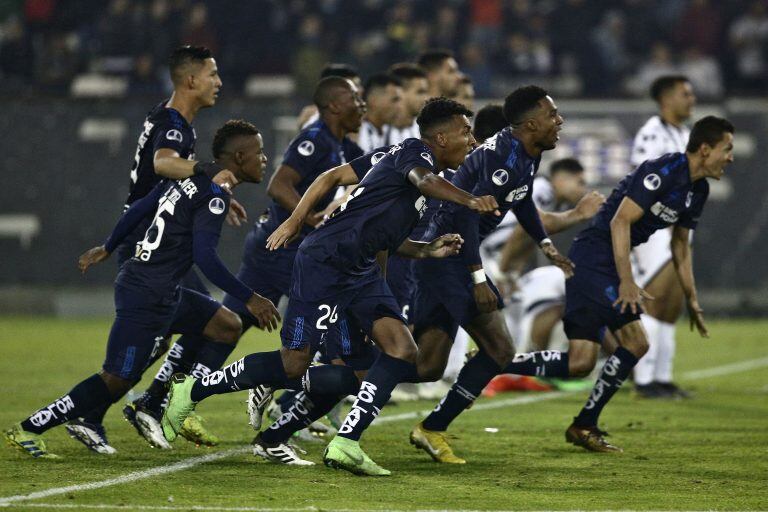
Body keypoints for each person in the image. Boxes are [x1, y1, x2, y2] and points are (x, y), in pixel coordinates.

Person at [161, 98, 499, 476]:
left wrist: (426, 249)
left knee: (401, 351)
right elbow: (418, 180)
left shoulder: (405, 163)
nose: (471, 140)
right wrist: (294, 221)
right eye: (465, 131)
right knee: (294, 364)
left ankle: (345, 443)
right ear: (439, 137)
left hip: (361, 271)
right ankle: (193, 389)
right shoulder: (416, 157)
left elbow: (344, 191)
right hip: (325, 262)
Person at [3, 120, 279, 459]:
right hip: (147, 296)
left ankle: (173, 401)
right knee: (116, 379)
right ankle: (30, 427)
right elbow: (204, 258)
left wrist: (109, 245)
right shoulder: (213, 195)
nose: (264, 159)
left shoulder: (188, 178)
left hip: (162, 289)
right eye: (259, 153)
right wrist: (251, 297)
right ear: (238, 157)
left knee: (226, 325)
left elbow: (142, 206)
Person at [500, 116, 733, 452]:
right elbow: (620, 220)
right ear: (705, 149)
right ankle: (585, 424)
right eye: (727, 149)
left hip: (604, 262)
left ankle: (497, 360)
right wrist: (626, 280)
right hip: (595, 257)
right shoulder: (665, 171)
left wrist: (691, 298)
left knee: (580, 363)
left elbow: (680, 245)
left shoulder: (698, 189)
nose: (731, 157)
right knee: (636, 342)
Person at [86, 45, 243, 451]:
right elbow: (163, 163)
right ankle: (118, 408)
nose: (219, 82)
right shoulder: (174, 126)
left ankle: (152, 404)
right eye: (212, 74)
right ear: (191, 80)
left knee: (211, 325)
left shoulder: (171, 118)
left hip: (152, 236)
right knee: (206, 326)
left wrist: (212, 192)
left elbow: (169, 181)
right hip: (151, 243)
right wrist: (207, 170)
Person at [406, 86, 574, 464]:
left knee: (427, 364)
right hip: (449, 255)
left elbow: (523, 197)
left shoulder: (522, 153)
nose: (559, 121)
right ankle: (433, 427)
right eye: (552, 115)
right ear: (531, 124)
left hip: (444, 255)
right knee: (498, 349)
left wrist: (545, 244)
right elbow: (465, 214)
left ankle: (316, 379)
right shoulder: (505, 160)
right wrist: (479, 277)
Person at [629, 75, 697, 398]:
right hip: (653, 228)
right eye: (686, 93)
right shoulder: (651, 134)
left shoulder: (684, 135)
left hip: (678, 226)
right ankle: (643, 380)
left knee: (672, 304)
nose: (692, 99)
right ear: (666, 99)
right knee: (654, 300)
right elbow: (643, 184)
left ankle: (662, 377)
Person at [298, 63, 363, 129]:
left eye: (359, 85)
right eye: (355, 85)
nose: (361, 90)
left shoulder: (366, 120)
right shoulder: (312, 119)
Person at [356, 73, 403, 152]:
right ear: (373, 100)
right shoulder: (356, 133)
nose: (399, 107)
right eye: (394, 100)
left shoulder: (391, 131)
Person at [388, 63, 430, 142]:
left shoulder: (424, 131)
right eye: (420, 92)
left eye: (426, 92)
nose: (426, 98)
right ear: (400, 92)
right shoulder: (380, 130)